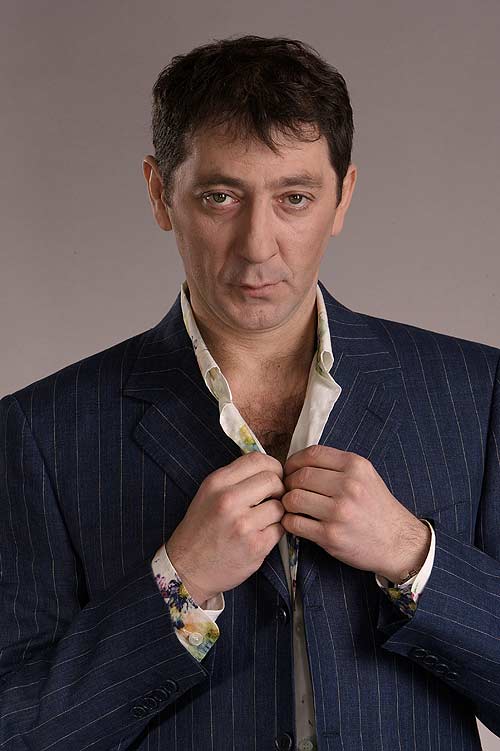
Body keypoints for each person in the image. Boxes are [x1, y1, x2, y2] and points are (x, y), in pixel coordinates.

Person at [0, 34, 498, 751]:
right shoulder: (41, 431)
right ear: (160, 193)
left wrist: (412, 555)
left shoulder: (477, 394)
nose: (258, 245)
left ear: (342, 198)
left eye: (294, 198)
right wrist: (178, 584)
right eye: (221, 197)